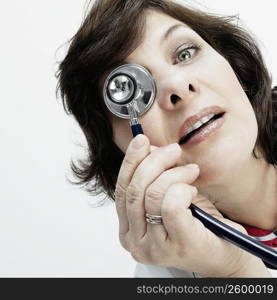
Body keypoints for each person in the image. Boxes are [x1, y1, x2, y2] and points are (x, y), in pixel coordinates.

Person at [56, 0, 277, 277]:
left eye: (185, 54)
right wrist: (234, 270)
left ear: (234, 65)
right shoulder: (161, 276)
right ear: (120, 150)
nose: (177, 87)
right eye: (132, 90)